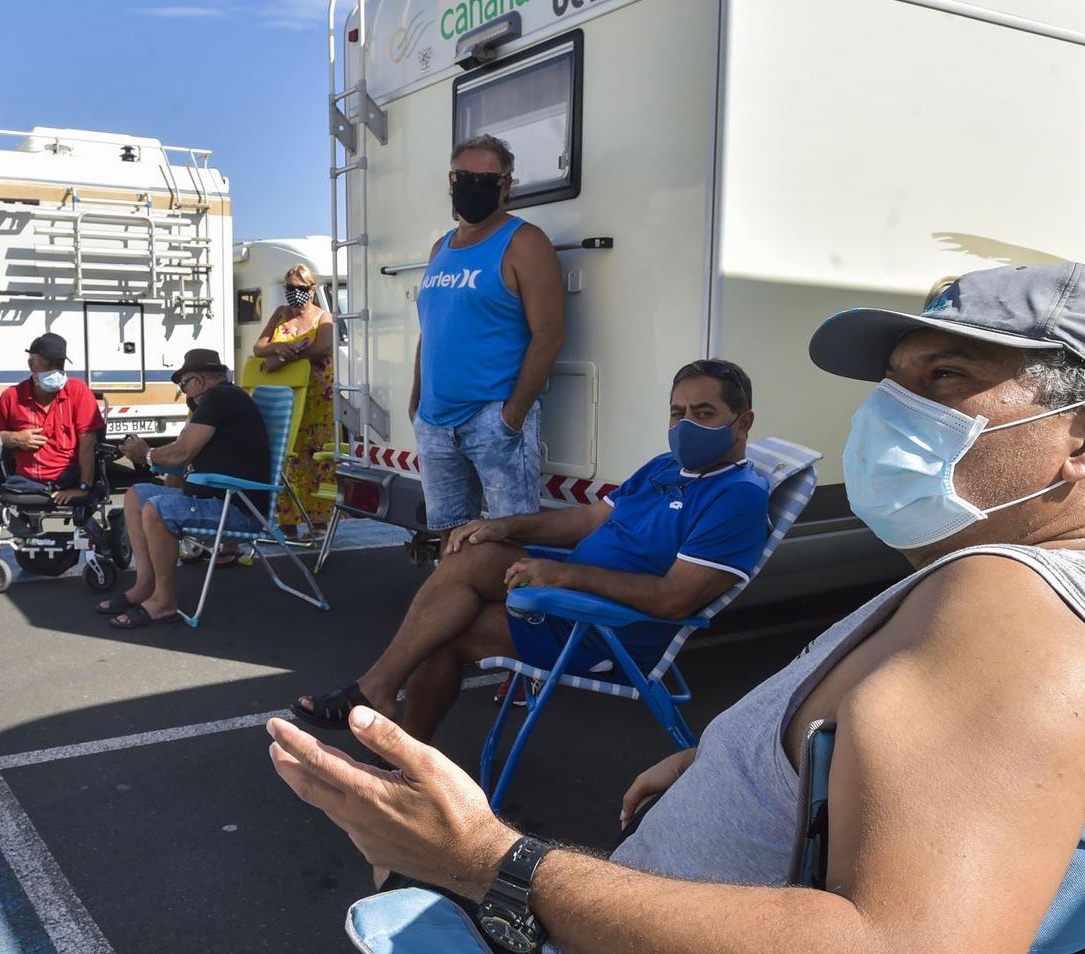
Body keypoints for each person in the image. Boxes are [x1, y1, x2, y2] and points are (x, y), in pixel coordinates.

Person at [268, 263, 1085, 954]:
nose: (892, 413)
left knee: (410, 861)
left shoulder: (1015, 617)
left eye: (946, 380)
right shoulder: (1077, 601)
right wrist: (733, 757)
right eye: (894, 384)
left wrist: (491, 860)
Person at [296, 361, 770, 740]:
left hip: (605, 628)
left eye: (703, 413)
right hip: (570, 596)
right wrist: (503, 525)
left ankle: (400, 758)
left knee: (442, 635)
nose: (686, 424)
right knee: (473, 554)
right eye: (677, 412)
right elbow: (586, 520)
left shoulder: (738, 497)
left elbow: (673, 599)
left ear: (742, 422)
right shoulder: (665, 466)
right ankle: (379, 689)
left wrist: (563, 576)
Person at [413, 134, 566, 536]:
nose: (472, 185)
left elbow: (548, 335)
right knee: (450, 538)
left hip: (493, 419)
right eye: (464, 176)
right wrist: (416, 403)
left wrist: (511, 417)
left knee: (509, 541)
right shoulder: (439, 248)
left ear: (506, 185)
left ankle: (507, 603)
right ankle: (457, 600)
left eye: (486, 178)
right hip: (434, 421)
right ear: (451, 178)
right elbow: (429, 330)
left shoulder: (524, 242)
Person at [103, 349, 270, 629]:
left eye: (184, 385)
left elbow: (181, 454)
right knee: (136, 495)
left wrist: (146, 455)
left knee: (157, 509)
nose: (185, 393)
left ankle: (164, 603)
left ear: (199, 381)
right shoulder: (221, 401)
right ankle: (145, 585)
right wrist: (156, 459)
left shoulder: (221, 397)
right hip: (219, 498)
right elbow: (182, 456)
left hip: (238, 508)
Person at [251, 263, 336, 533]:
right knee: (285, 456)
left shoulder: (323, 317)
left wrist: (286, 357)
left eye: (299, 288)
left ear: (311, 289)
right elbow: (259, 347)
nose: (294, 293)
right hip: (284, 396)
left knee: (317, 458)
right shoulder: (280, 314)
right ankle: (287, 521)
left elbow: (324, 347)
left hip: (316, 398)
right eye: (289, 288)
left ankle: (319, 521)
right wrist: (280, 348)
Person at [0, 332, 103, 503]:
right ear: (31, 364)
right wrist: (14, 438)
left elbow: (87, 442)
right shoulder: (12, 396)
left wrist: (83, 487)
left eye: (60, 364)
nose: (56, 370)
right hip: (27, 481)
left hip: (69, 478)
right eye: (49, 364)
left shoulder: (78, 391)